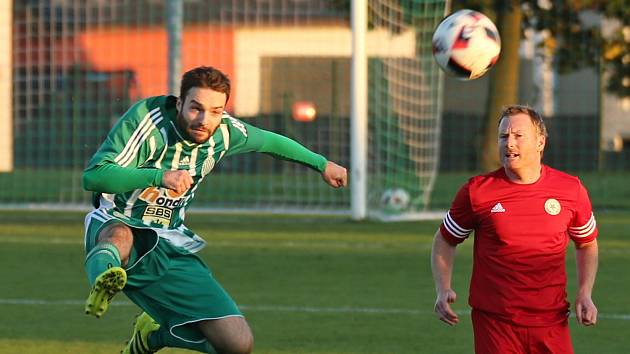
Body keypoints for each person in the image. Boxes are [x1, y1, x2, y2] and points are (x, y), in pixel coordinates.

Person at [82, 66, 347, 354]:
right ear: (180, 102)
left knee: (238, 344)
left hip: (169, 239)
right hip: (117, 219)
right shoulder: (148, 120)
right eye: (195, 108)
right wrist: (159, 176)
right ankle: (104, 280)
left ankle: (154, 335)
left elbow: (270, 141)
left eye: (215, 111)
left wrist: (322, 164)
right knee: (120, 237)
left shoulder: (226, 132)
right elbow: (94, 176)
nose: (203, 119)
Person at [431, 105, 599, 353]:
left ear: (540, 142)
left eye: (518, 136)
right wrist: (442, 288)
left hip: (552, 320)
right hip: (496, 323)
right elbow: (445, 240)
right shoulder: (477, 191)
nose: (509, 143)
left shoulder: (571, 190)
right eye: (503, 136)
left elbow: (586, 243)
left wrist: (585, 293)